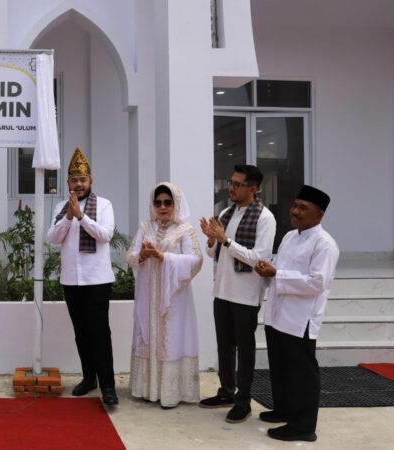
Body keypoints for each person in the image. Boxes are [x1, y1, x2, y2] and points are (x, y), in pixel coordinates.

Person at [255, 185, 339, 442]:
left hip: (300, 319)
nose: (296, 211)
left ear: (319, 215)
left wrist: (276, 274)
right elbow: (280, 268)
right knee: (280, 367)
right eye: (295, 205)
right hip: (278, 314)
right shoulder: (290, 237)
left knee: (302, 373)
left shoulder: (325, 244)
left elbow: (317, 282)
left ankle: (304, 426)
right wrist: (268, 269)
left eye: (304, 208)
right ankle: (284, 409)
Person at [199, 164, 276, 423]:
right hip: (222, 290)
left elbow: (258, 258)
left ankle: (244, 400)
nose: (230, 188)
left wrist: (225, 241)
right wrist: (211, 241)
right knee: (224, 345)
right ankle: (226, 391)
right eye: (230, 183)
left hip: (246, 293)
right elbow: (216, 255)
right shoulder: (226, 213)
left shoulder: (265, 218)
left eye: (236, 184)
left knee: (245, 348)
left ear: (252, 189)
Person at [47, 148, 118, 406]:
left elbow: (105, 234)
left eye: (83, 179)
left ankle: (108, 386)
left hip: (97, 279)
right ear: (68, 183)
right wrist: (68, 216)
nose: (79, 184)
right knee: (81, 332)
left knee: (100, 332)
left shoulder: (105, 204)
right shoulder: (60, 206)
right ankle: (89, 379)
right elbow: (53, 238)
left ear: (91, 181)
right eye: (74, 180)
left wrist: (82, 216)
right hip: (71, 280)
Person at [127, 182, 202, 408]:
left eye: (167, 202)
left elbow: (196, 260)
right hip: (148, 296)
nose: (162, 207)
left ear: (175, 203)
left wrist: (164, 258)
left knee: (171, 339)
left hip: (173, 299)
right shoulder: (145, 226)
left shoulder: (184, 230)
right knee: (147, 336)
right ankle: (146, 389)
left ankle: (170, 393)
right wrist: (141, 255)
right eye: (158, 202)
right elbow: (130, 254)